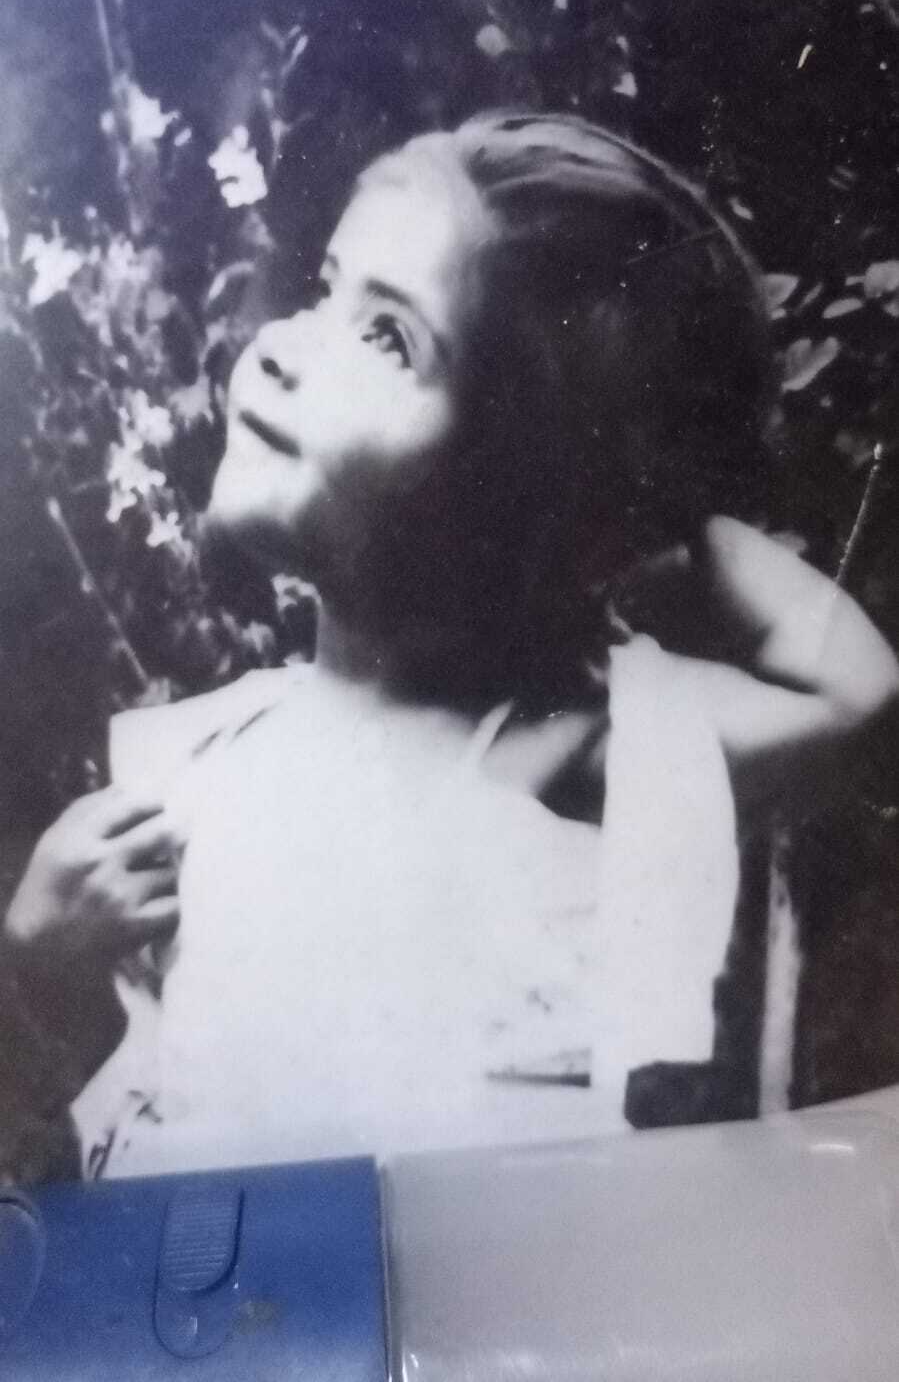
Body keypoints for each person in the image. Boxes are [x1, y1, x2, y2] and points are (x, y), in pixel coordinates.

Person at [2, 112, 897, 1182]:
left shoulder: (574, 750)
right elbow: (112, 1128)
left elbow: (855, 689)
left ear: (551, 497)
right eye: (325, 291)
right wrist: (41, 967)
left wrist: (649, 525)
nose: (280, 347)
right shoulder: (196, 770)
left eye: (390, 337)